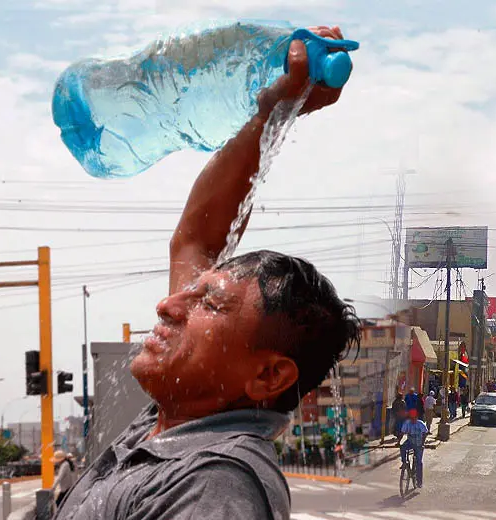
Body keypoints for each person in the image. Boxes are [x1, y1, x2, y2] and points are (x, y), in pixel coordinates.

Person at [48, 26, 359, 520]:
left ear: (267, 374)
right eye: (195, 294)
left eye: (210, 304)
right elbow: (198, 238)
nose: (168, 305)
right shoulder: (178, 418)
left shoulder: (213, 486)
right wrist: (273, 112)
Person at [399, 409, 428, 488]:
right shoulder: (407, 423)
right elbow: (402, 433)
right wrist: (398, 442)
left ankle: (419, 482)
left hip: (419, 444)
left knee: (419, 462)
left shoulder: (420, 424)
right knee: (402, 447)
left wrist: (422, 444)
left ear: (416, 417)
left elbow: (425, 433)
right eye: (411, 418)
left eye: (414, 418)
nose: (412, 419)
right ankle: (404, 462)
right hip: (410, 442)